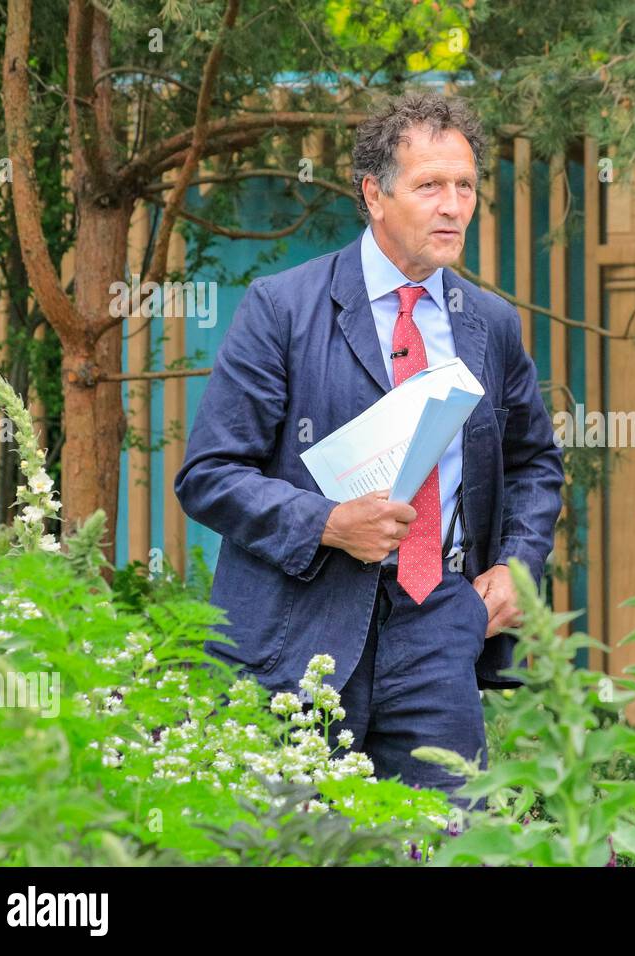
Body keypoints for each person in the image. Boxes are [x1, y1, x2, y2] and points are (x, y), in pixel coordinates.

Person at [175, 90, 564, 802]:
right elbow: (208, 474)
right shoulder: (282, 309)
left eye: (466, 186)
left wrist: (517, 566)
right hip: (298, 632)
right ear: (373, 195)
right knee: (291, 846)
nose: (453, 206)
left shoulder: (489, 325)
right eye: (430, 186)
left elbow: (534, 463)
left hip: (440, 623)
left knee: (449, 845)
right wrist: (326, 523)